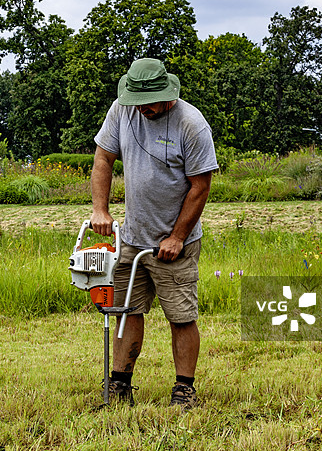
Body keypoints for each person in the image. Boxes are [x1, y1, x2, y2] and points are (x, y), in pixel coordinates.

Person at [90, 57, 218, 410]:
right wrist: (101, 209)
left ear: (168, 95)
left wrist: (177, 236)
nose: (142, 109)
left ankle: (184, 389)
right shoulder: (122, 109)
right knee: (126, 309)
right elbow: (103, 158)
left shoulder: (191, 124)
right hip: (132, 237)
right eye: (136, 102)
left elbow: (200, 186)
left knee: (180, 315)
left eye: (149, 103)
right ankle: (119, 384)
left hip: (175, 241)